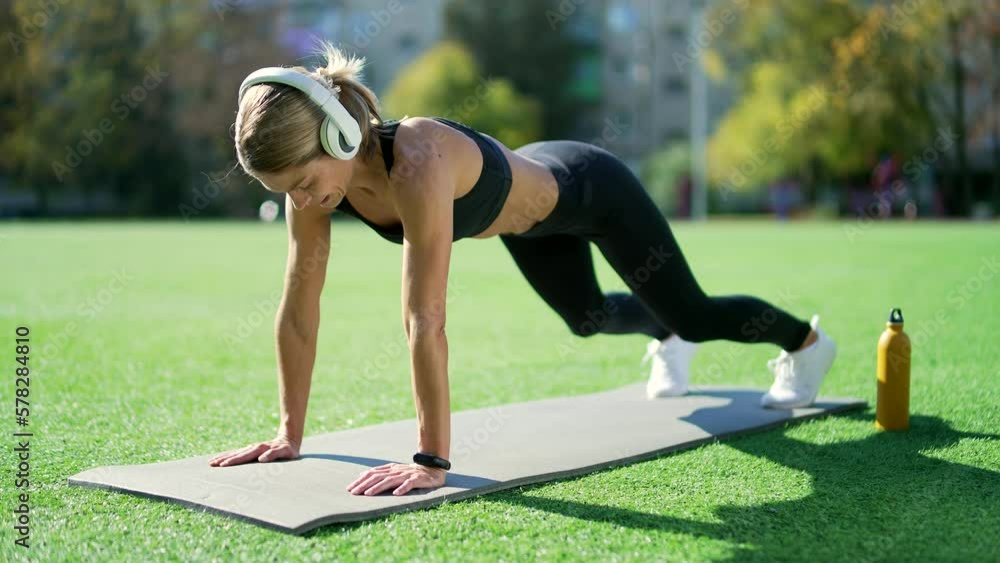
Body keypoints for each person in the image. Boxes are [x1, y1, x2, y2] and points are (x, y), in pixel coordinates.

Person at [208, 43, 837, 497]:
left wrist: (432, 458)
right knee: (587, 320)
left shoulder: (419, 160)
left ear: (341, 135)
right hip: (530, 225)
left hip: (593, 191)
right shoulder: (314, 192)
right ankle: (662, 333)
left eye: (304, 181)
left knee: (694, 314)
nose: (301, 199)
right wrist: (290, 432)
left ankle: (805, 343)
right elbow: (298, 309)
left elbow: (424, 316)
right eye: (283, 190)